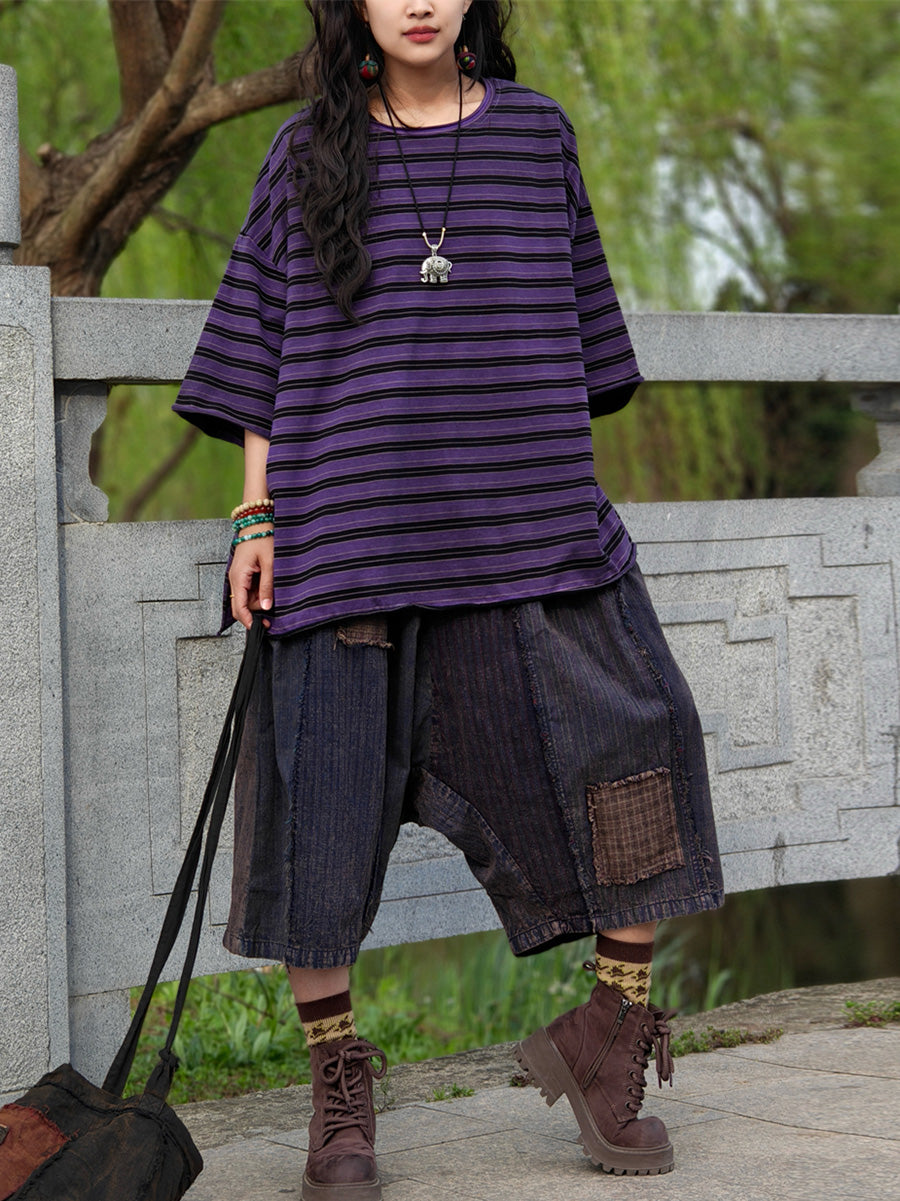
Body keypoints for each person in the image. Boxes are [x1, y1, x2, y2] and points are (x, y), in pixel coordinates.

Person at [173, 1, 724, 1196]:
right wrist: (256, 515)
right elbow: (260, 344)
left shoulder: (536, 136)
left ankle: (609, 1032)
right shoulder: (306, 151)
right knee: (316, 829)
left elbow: (579, 341)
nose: (417, 1)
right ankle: (338, 1090)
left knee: (648, 745)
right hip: (348, 536)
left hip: (524, 537)